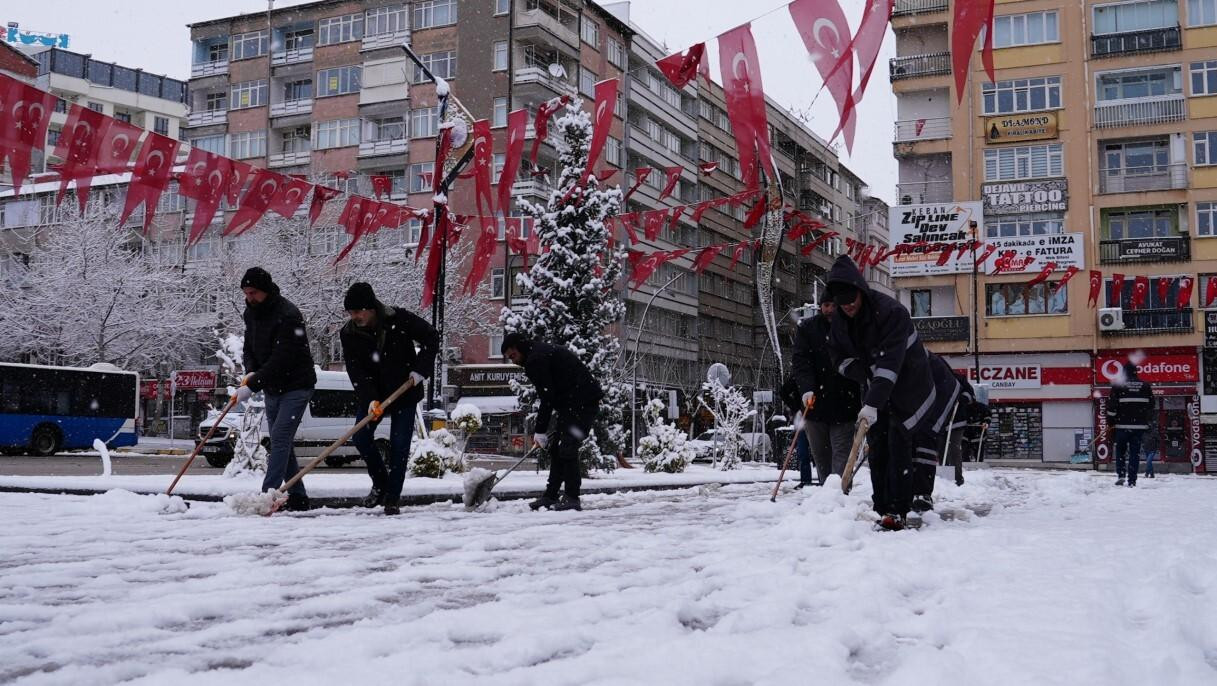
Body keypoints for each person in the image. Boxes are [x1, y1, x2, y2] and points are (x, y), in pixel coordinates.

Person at [823, 256, 960, 530]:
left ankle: (898, 510)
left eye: (852, 301)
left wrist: (873, 399)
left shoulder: (891, 313)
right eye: (842, 303)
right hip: (877, 384)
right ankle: (882, 505)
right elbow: (838, 358)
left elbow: (889, 363)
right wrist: (864, 375)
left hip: (910, 385)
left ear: (861, 291)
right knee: (877, 443)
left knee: (899, 442)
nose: (849, 307)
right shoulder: (839, 320)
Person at [340, 282, 439, 515]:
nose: (354, 317)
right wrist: (371, 399)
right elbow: (356, 371)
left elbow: (431, 337)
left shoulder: (399, 319)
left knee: (399, 445)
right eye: (351, 313)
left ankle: (392, 497)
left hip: (404, 391)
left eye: (358, 311)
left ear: (371, 308)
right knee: (361, 438)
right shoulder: (349, 334)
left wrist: (420, 370)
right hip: (373, 394)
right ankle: (381, 483)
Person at [233, 267, 316, 512]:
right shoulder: (251, 313)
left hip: (297, 384)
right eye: (246, 293)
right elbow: (250, 348)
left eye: (254, 293)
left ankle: (267, 495)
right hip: (273, 386)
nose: (249, 298)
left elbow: (282, 359)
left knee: (279, 437)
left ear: (266, 290)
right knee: (283, 442)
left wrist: (254, 383)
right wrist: (250, 373)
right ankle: (298, 496)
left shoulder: (288, 315)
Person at [501, 333, 602, 512]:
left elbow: (547, 396)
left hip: (582, 402)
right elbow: (551, 393)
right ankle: (550, 496)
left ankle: (572, 497)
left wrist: (539, 430)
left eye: (513, 356)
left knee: (567, 447)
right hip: (573, 403)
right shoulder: (537, 353)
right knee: (557, 449)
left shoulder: (535, 359)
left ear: (520, 347)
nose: (513, 361)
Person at [791, 299, 862, 486]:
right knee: (821, 458)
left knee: (841, 456)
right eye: (825, 305)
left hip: (844, 403)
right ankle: (826, 495)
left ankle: (840, 494)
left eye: (833, 305)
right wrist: (806, 389)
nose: (829, 310)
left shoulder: (851, 326)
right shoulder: (808, 328)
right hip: (815, 405)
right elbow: (800, 362)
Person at [1107, 359, 1152, 487]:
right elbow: (1151, 406)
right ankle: (1132, 480)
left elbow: (1112, 408)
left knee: (1120, 452)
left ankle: (1121, 475)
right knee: (1134, 454)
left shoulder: (1118, 386)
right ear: (1135, 372)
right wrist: (1145, 421)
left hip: (1122, 427)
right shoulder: (1145, 385)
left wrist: (1111, 422)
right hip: (1138, 427)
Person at [779, 375, 812, 487]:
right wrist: (796, 408)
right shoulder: (799, 376)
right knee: (803, 451)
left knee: (822, 450)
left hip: (819, 418)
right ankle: (805, 480)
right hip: (802, 416)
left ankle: (827, 480)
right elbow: (783, 392)